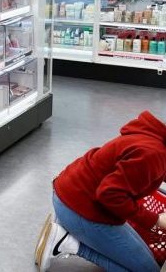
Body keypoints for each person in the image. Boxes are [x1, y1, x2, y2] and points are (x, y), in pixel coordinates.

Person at [35, 111, 166, 272]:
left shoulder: (155, 137)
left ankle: (68, 232)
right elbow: (109, 194)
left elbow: (150, 169)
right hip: (80, 208)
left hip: (70, 192)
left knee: (149, 263)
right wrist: (156, 220)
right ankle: (67, 243)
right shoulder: (153, 154)